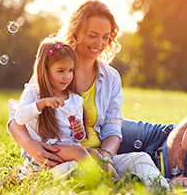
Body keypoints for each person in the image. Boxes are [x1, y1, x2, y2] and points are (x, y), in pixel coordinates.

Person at [7, 0, 169, 188]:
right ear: (76, 31)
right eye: (93, 35)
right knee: (76, 172)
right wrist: (30, 146)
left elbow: (112, 126)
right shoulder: (54, 67)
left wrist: (106, 157)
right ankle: (116, 191)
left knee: (140, 159)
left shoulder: (110, 77)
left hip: (96, 158)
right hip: (59, 159)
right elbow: (16, 117)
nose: (99, 44)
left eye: (105, 37)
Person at [13, 38, 119, 179]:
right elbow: (19, 118)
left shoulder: (74, 99)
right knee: (79, 152)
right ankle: (99, 181)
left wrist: (79, 132)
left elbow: (76, 138)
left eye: (71, 70)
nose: (67, 77)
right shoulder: (34, 93)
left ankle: (118, 182)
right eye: (61, 71)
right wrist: (42, 103)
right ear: (45, 70)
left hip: (66, 149)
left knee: (94, 154)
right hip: (46, 151)